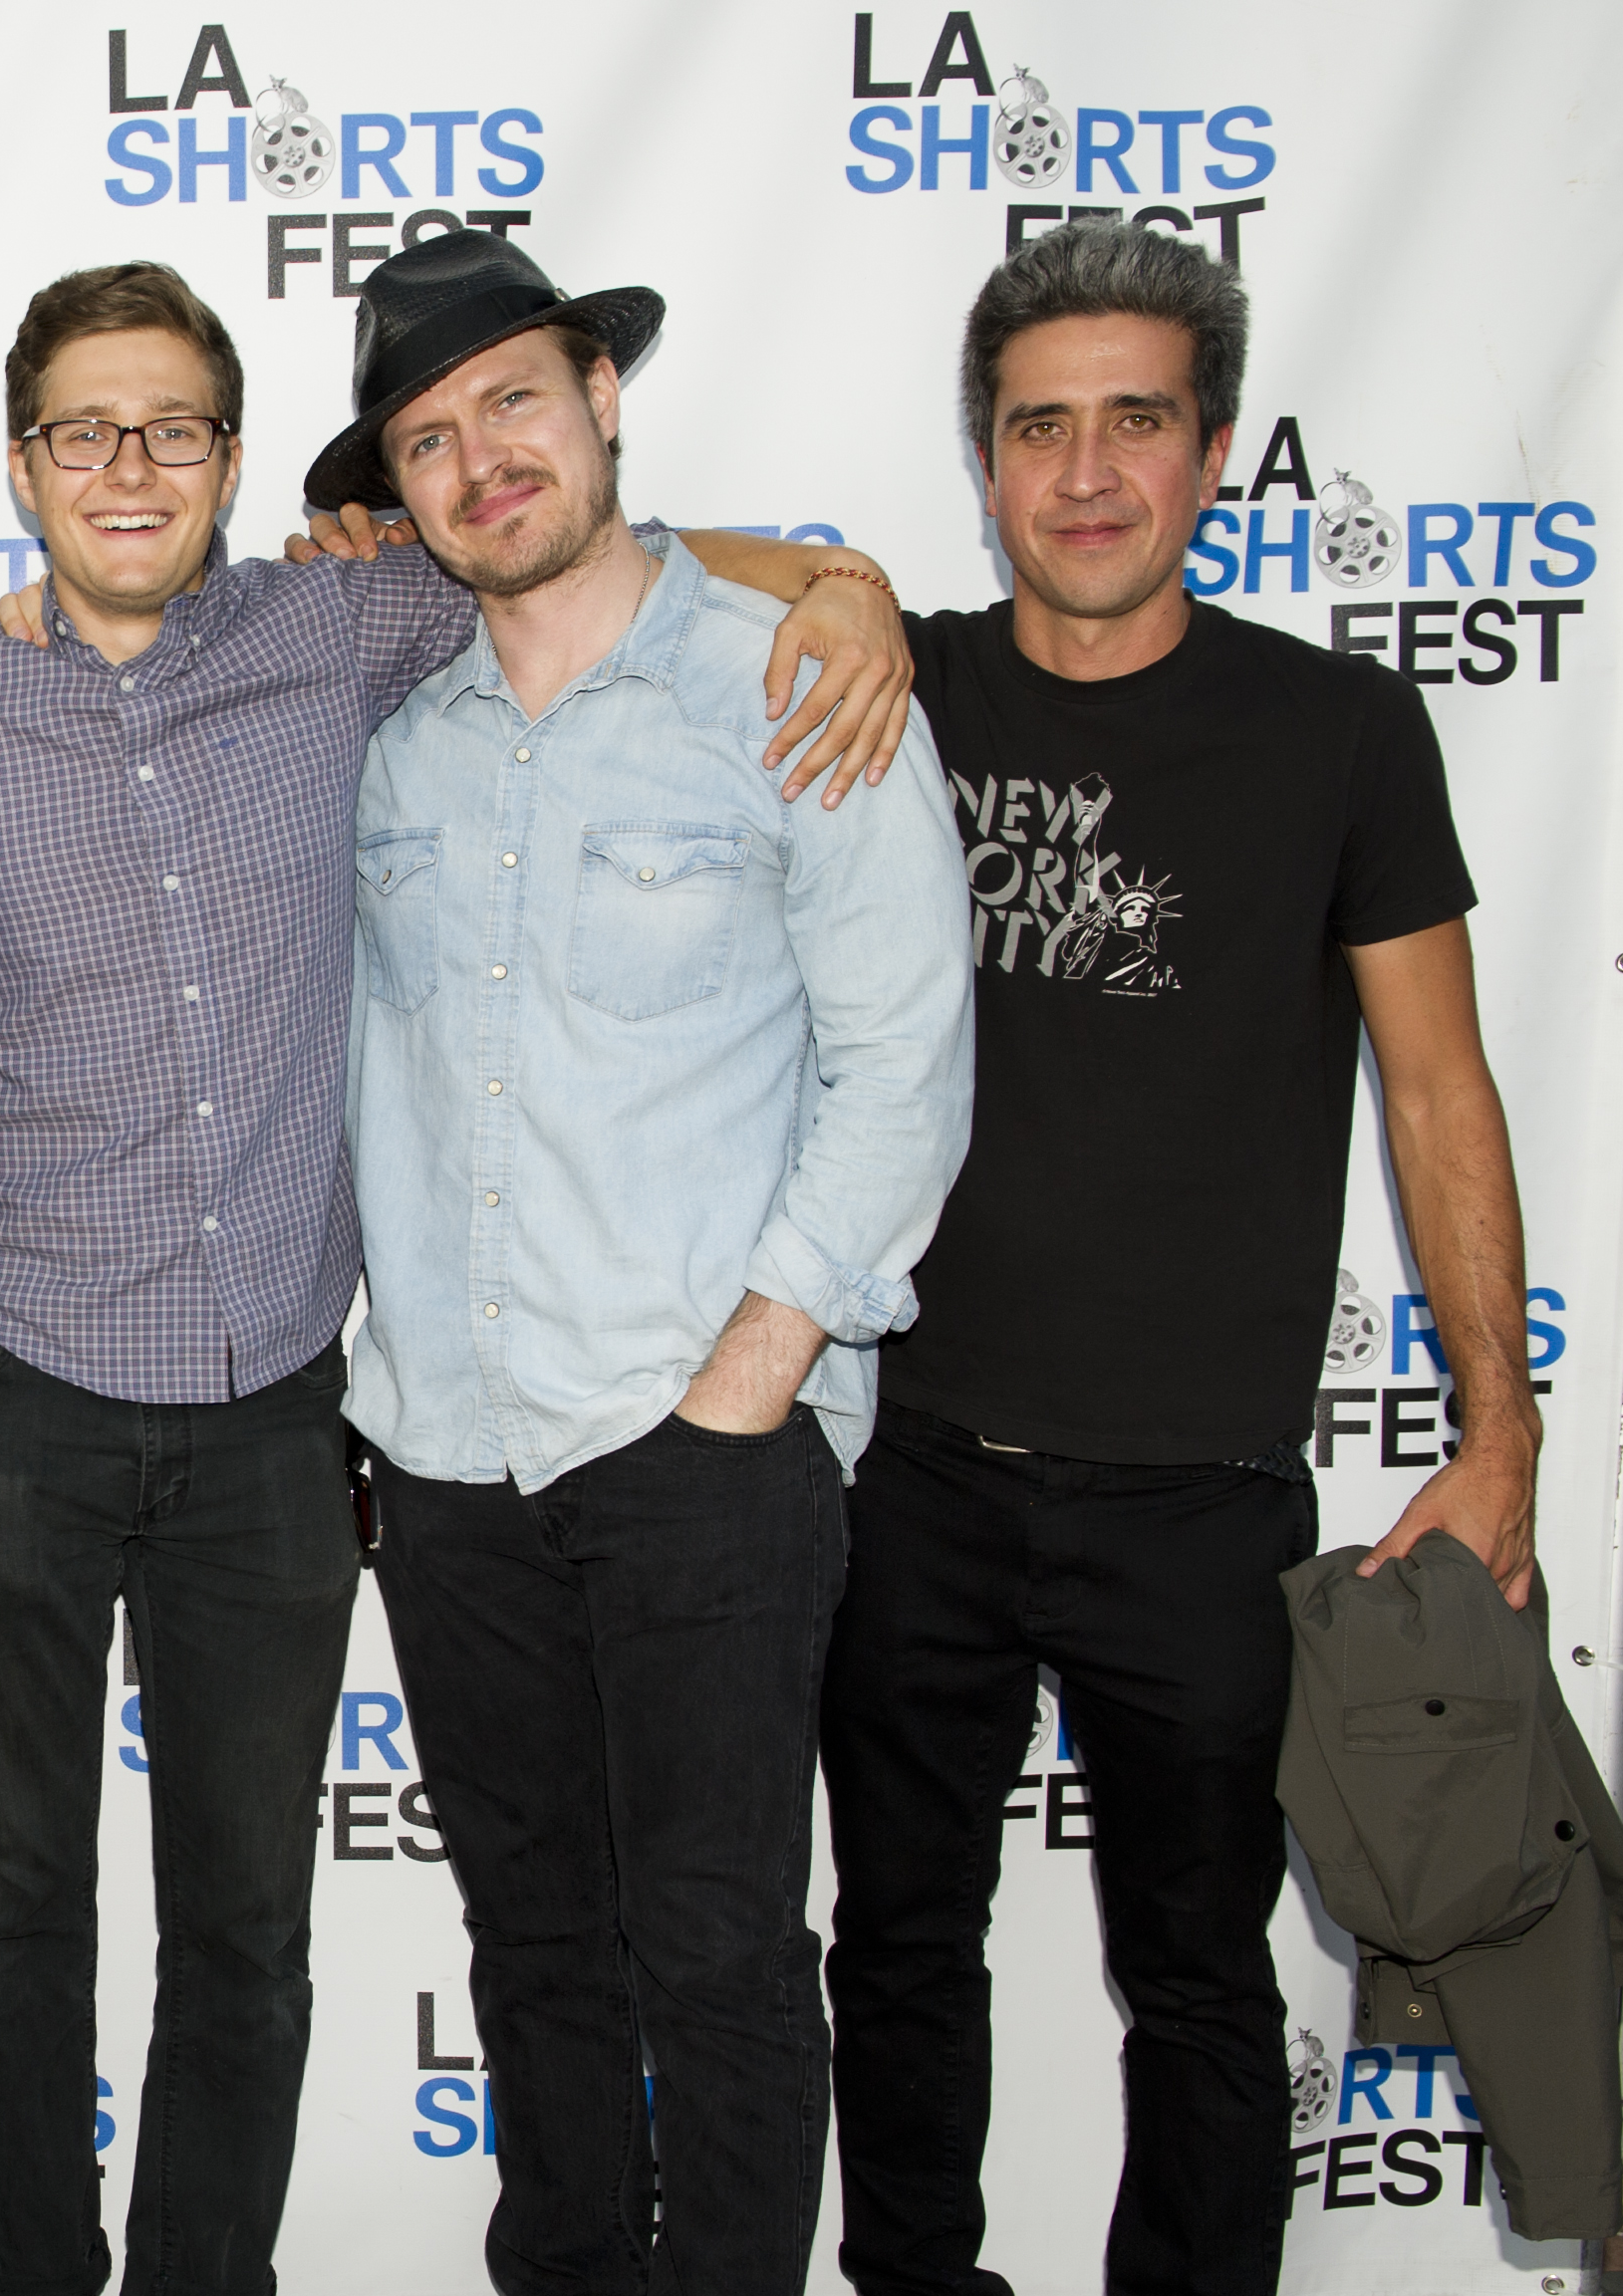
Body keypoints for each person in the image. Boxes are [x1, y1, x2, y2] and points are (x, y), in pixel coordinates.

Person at [0, 257, 922, 2296]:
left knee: (250, 1929)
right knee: (11, 1907)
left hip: (271, 1417)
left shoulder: (355, 623)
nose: (127, 464)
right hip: (3, 1387)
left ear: (236, 463)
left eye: (172, 426)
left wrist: (841, 585)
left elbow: (611, 553)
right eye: (84, 428)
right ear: (19, 462)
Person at [818, 220, 1535, 2296]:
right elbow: (652, 558)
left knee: (1205, 1985)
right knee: (894, 1947)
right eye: (1037, 427)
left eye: (1136, 418)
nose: (1086, 470)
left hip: (1206, 1490)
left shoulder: (1336, 734)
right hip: (912, 1468)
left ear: (1212, 453)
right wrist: (843, 585)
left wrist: (1499, 1442)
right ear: (985, 465)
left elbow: (1438, 1095)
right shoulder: (905, 685)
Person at [326, 229, 973, 2294]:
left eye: (515, 399)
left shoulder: (785, 678)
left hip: (702, 1432)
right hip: (445, 1455)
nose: (479, 459)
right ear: (397, 491)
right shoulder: (392, 732)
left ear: (603, 398)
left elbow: (905, 1054)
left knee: (715, 1957)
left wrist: (756, 1367)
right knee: (535, 1952)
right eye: (428, 438)